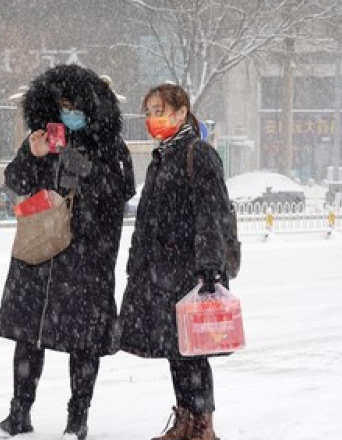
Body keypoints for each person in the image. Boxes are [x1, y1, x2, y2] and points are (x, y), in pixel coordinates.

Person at [0, 64, 135, 440]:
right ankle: (19, 413)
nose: (66, 112)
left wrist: (79, 164)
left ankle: (78, 418)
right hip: (39, 252)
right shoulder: (42, 138)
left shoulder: (109, 145)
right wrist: (34, 155)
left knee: (83, 340)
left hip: (87, 256)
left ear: (90, 107)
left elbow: (119, 192)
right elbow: (15, 182)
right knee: (29, 333)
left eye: (73, 106)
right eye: (60, 105)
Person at [118, 84, 234, 440]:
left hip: (191, 270)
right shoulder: (163, 157)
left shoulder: (198, 153)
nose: (154, 118)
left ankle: (203, 425)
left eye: (161, 110)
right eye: (150, 112)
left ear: (182, 112)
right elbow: (148, 219)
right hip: (162, 271)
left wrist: (210, 267)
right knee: (176, 349)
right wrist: (136, 263)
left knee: (193, 351)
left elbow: (211, 212)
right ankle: (184, 418)